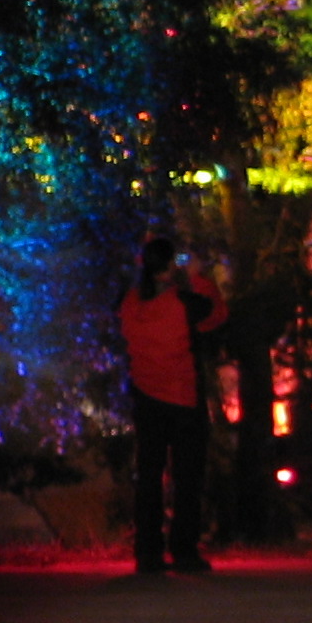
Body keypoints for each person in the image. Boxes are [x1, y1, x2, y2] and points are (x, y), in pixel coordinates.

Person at [119, 231, 227, 576]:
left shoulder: (129, 303)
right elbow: (216, 315)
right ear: (169, 268)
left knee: (149, 476)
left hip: (146, 396)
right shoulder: (182, 303)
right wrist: (199, 278)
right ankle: (184, 550)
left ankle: (148, 551)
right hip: (182, 398)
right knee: (187, 477)